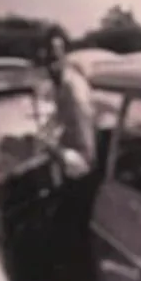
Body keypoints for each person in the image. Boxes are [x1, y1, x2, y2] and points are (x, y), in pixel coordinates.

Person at [40, 26, 96, 180]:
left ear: (64, 56)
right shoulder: (60, 84)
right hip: (71, 156)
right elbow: (60, 118)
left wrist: (54, 148)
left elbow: (84, 133)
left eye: (54, 59)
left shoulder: (72, 87)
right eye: (47, 61)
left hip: (81, 162)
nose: (51, 67)